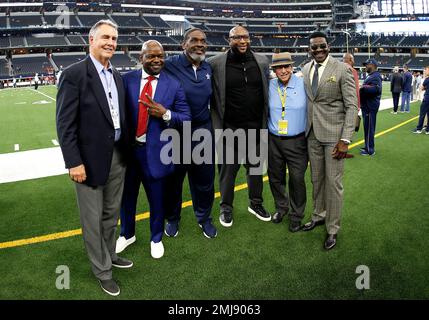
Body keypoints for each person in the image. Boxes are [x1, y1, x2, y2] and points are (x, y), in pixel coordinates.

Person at [56, 20, 132, 297]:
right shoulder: (74, 74)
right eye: (105, 37)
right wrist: (73, 162)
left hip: (117, 156)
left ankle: (109, 253)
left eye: (114, 37)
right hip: (87, 161)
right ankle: (102, 271)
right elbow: (65, 124)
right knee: (92, 219)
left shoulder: (118, 75)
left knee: (111, 214)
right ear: (91, 40)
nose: (111, 42)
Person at [115, 40, 191, 258]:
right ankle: (127, 233)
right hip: (129, 152)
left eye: (160, 56)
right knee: (126, 197)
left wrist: (165, 114)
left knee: (157, 199)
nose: (157, 60)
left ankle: (156, 237)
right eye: (151, 56)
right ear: (141, 58)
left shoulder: (173, 84)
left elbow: (186, 118)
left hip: (157, 153)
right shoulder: (126, 79)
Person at [208, 25, 271, 227]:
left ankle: (255, 203)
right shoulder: (216, 63)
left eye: (245, 37)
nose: (242, 41)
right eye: (237, 38)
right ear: (229, 40)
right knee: (228, 173)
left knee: (255, 170)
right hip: (229, 129)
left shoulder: (261, 61)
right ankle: (226, 207)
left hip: (255, 128)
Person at [301, 31, 358, 250]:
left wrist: (345, 139)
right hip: (312, 134)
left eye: (321, 46)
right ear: (309, 49)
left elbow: (352, 105)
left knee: (333, 183)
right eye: (314, 47)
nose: (318, 50)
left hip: (335, 137)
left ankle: (332, 229)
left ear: (328, 46)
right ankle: (318, 215)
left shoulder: (342, 68)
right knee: (317, 179)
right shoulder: (305, 69)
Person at [163, 28, 217, 239]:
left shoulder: (208, 67)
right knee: (173, 181)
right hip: (176, 132)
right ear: (183, 44)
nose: (200, 44)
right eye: (194, 40)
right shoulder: (169, 65)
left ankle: (204, 219)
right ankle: (173, 218)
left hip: (202, 132)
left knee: (204, 181)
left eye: (203, 41)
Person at [267, 52, 308, 232]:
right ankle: (281, 208)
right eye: (279, 67)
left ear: (292, 67)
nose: (283, 70)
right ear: (274, 70)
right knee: (276, 178)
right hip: (274, 140)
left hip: (297, 141)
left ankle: (296, 215)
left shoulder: (303, 83)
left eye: (286, 66)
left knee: (297, 179)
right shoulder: (269, 85)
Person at [359, 58, 382, 156]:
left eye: (367, 64)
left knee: (369, 128)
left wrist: (362, 87)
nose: (365, 66)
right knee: (367, 127)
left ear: (372, 65)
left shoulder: (376, 76)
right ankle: (367, 145)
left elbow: (376, 89)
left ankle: (370, 150)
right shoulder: (371, 75)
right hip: (367, 105)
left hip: (370, 106)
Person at [342, 53, 361, 159]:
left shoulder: (338, 68)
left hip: (340, 105)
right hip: (349, 104)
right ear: (349, 59)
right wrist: (357, 105)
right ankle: (343, 150)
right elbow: (355, 90)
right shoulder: (351, 70)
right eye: (353, 59)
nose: (354, 62)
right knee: (349, 127)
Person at [412, 65, 429, 135]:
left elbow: (421, 88)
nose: (425, 71)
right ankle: (428, 130)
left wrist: (424, 78)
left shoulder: (427, 79)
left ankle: (419, 129)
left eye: (426, 70)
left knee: (422, 114)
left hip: (427, 99)